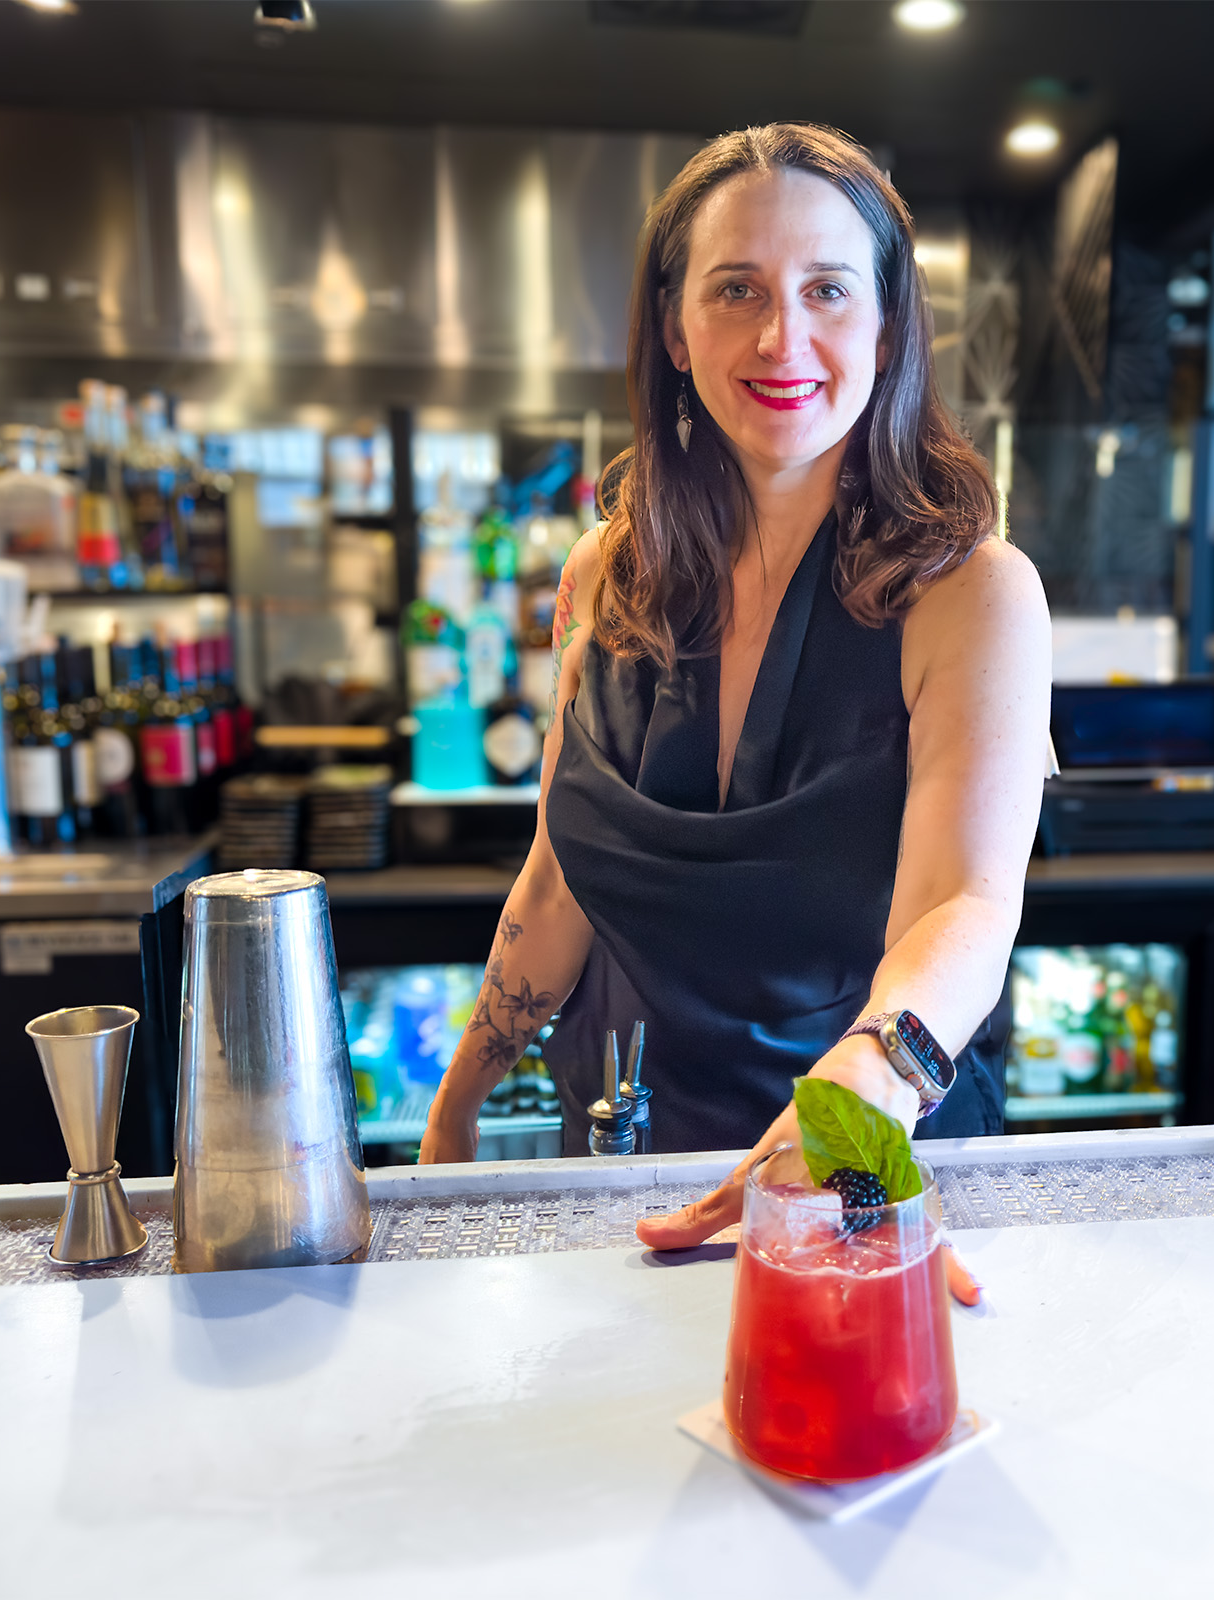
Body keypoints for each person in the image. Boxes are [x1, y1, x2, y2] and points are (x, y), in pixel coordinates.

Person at [420, 124, 1050, 1298]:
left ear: (886, 325)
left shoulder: (973, 593)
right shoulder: (604, 575)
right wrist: (453, 1110)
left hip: (864, 1176)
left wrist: (867, 1089)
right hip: (625, 1174)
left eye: (827, 289)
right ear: (674, 328)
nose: (782, 338)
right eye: (736, 289)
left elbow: (963, 904)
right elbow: (558, 877)